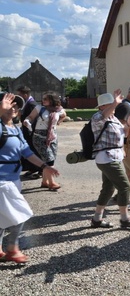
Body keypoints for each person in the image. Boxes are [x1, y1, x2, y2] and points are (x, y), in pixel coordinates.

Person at [0, 92, 60, 263]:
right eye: (9, 104)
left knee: (2, 216)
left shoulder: (16, 129)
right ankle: (12, 249)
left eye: (16, 105)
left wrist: (45, 167)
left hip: (13, 179)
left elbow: (26, 152)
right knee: (22, 213)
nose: (13, 107)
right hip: (1, 181)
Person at [89, 90, 130, 229]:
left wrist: (129, 124)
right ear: (101, 107)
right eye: (108, 105)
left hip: (114, 157)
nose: (113, 108)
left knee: (108, 188)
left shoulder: (114, 119)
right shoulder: (97, 118)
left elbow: (123, 134)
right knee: (124, 186)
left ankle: (96, 219)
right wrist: (115, 103)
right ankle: (124, 219)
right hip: (106, 158)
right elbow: (103, 115)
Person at [23, 91, 65, 190]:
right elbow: (30, 117)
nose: (43, 100)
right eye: (43, 98)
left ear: (52, 100)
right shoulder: (39, 108)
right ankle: (52, 183)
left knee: (49, 159)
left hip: (52, 137)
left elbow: (63, 115)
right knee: (49, 160)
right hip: (39, 137)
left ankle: (44, 182)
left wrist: (58, 122)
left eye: (46, 99)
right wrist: (27, 121)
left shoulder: (59, 110)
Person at [16, 85, 39, 178]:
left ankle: (38, 169)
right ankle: (32, 168)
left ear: (25, 95)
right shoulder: (27, 103)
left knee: (33, 150)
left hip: (30, 132)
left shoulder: (31, 104)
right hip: (26, 130)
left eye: (19, 94)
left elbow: (33, 120)